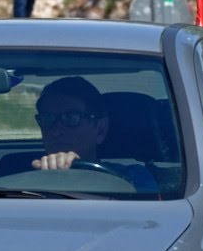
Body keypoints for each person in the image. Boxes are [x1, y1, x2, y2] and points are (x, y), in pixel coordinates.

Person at [27, 77, 157, 192]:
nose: (56, 130)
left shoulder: (132, 178)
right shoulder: (20, 175)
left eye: (71, 118)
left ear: (100, 129)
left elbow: (141, 210)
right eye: (47, 118)